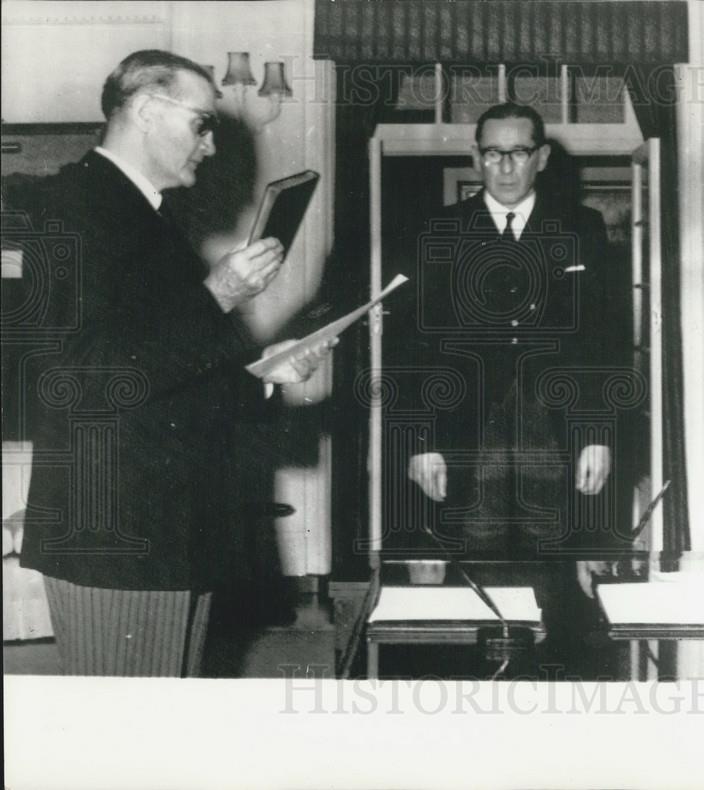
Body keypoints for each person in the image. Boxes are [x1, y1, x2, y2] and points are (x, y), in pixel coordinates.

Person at [13, 50, 333, 676]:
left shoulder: (142, 214)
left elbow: (159, 372)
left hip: (165, 525)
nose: (210, 146)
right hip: (118, 531)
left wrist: (261, 377)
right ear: (148, 111)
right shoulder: (75, 207)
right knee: (128, 740)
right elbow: (82, 375)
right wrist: (217, 295)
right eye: (202, 124)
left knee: (162, 725)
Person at [381, 103, 634, 674]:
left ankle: (545, 689)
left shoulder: (581, 228)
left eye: (518, 152)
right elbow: (410, 347)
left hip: (553, 427)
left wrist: (596, 433)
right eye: (493, 153)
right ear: (476, 157)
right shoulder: (437, 231)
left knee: (555, 564)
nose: (505, 167)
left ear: (540, 158)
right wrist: (421, 439)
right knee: (477, 557)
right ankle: (485, 686)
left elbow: (604, 343)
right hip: (467, 428)